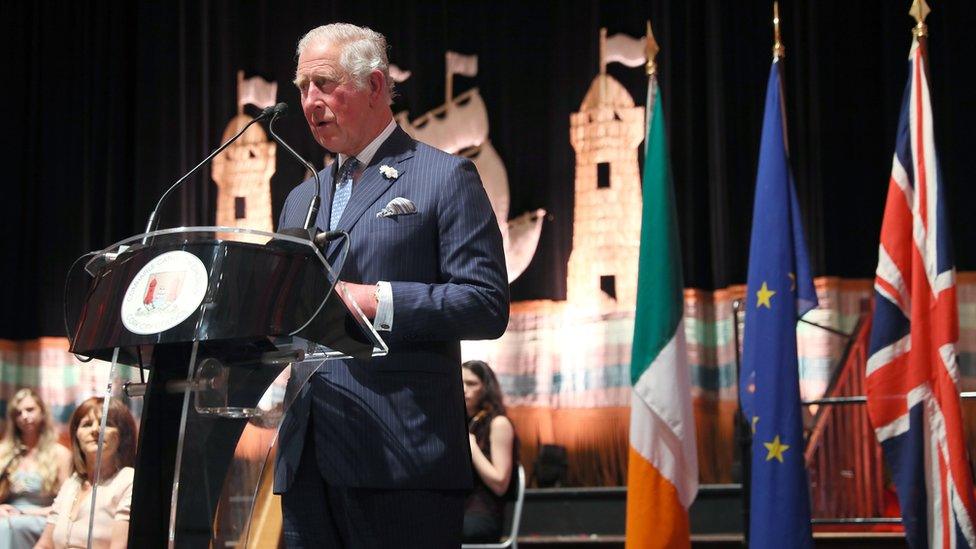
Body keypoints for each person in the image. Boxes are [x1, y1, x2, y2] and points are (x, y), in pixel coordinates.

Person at [274, 23, 509, 548]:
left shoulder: (444, 177)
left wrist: (379, 300)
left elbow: (486, 303)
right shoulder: (299, 199)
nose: (310, 101)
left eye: (325, 83)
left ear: (375, 86)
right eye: (302, 87)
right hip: (306, 458)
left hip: (400, 455)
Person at [35, 397, 137, 549]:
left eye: (106, 424)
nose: (96, 430)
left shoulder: (128, 480)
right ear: (76, 435)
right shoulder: (72, 483)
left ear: (122, 436)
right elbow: (44, 545)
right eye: (87, 424)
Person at [0, 389, 72, 549]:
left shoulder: (60, 454)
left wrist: (26, 513)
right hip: (8, 515)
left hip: (44, 518)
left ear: (43, 413)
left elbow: (67, 504)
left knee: (9, 526)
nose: (24, 416)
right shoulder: (3, 453)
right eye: (18, 413)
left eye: (30, 410)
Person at [461, 360, 519, 543]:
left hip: (481, 512)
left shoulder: (498, 424)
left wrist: (473, 448)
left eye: (471, 384)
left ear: (486, 388)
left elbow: (500, 483)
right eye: (459, 382)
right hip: (459, 508)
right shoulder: (462, 422)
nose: (463, 389)